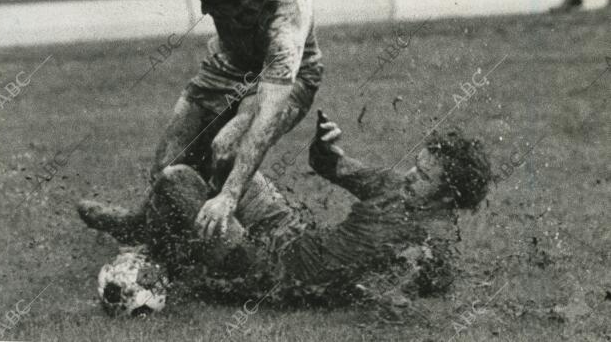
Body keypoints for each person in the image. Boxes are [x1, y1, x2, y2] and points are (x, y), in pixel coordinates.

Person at [82, 0, 323, 240]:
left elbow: (266, 120)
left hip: (288, 80)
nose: (206, 12)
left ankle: (271, 242)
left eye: (218, 10)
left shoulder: (285, 24)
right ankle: (144, 230)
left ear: (252, 0)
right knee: (167, 169)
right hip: (225, 67)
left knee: (227, 148)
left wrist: (229, 194)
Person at [78, 111, 492, 305]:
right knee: (224, 154)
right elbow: (331, 166)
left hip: (272, 272)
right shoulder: (392, 184)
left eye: (423, 176)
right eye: (416, 165)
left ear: (446, 194)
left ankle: (150, 239)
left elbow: (429, 284)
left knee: (176, 181)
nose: (410, 175)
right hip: (290, 233)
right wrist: (324, 146)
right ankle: (142, 228)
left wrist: (393, 292)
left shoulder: (434, 235)